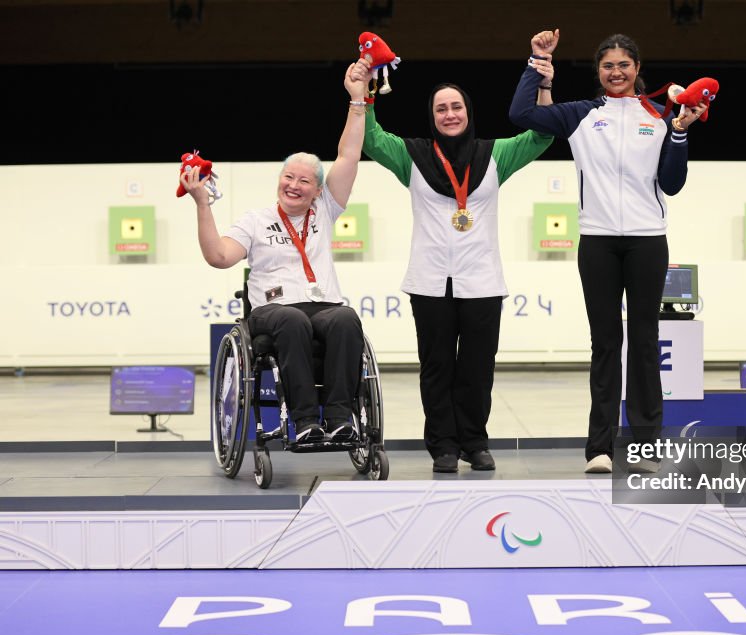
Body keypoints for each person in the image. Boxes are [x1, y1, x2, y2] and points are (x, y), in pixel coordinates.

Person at [509, 30, 707, 474]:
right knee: (605, 344)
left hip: (647, 240)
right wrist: (537, 61)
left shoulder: (660, 114)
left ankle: (646, 447)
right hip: (597, 241)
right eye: (607, 66)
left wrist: (678, 132)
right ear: (598, 72)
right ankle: (599, 447)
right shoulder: (580, 114)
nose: (616, 72)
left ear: (638, 69)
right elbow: (519, 112)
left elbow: (672, 183)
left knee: (643, 342)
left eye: (624, 65)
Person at [361, 67, 555, 473]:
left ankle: (474, 441)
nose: (450, 114)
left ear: (468, 111)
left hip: (482, 280)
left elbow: (542, 135)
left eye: (456, 106)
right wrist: (365, 91)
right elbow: (371, 138)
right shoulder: (411, 156)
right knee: (436, 369)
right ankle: (444, 446)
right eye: (441, 109)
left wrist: (544, 85)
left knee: (477, 369)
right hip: (429, 281)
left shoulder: (495, 154)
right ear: (432, 117)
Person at [181, 58, 373, 444]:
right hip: (274, 311)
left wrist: (357, 101)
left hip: (324, 306)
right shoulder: (255, 220)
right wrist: (203, 203)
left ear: (318, 190)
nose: (294, 185)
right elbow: (219, 256)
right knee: (292, 321)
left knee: (348, 319)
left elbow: (349, 155)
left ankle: (340, 418)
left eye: (305, 180)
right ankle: (304, 422)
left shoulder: (326, 208)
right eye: (288, 176)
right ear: (279, 180)